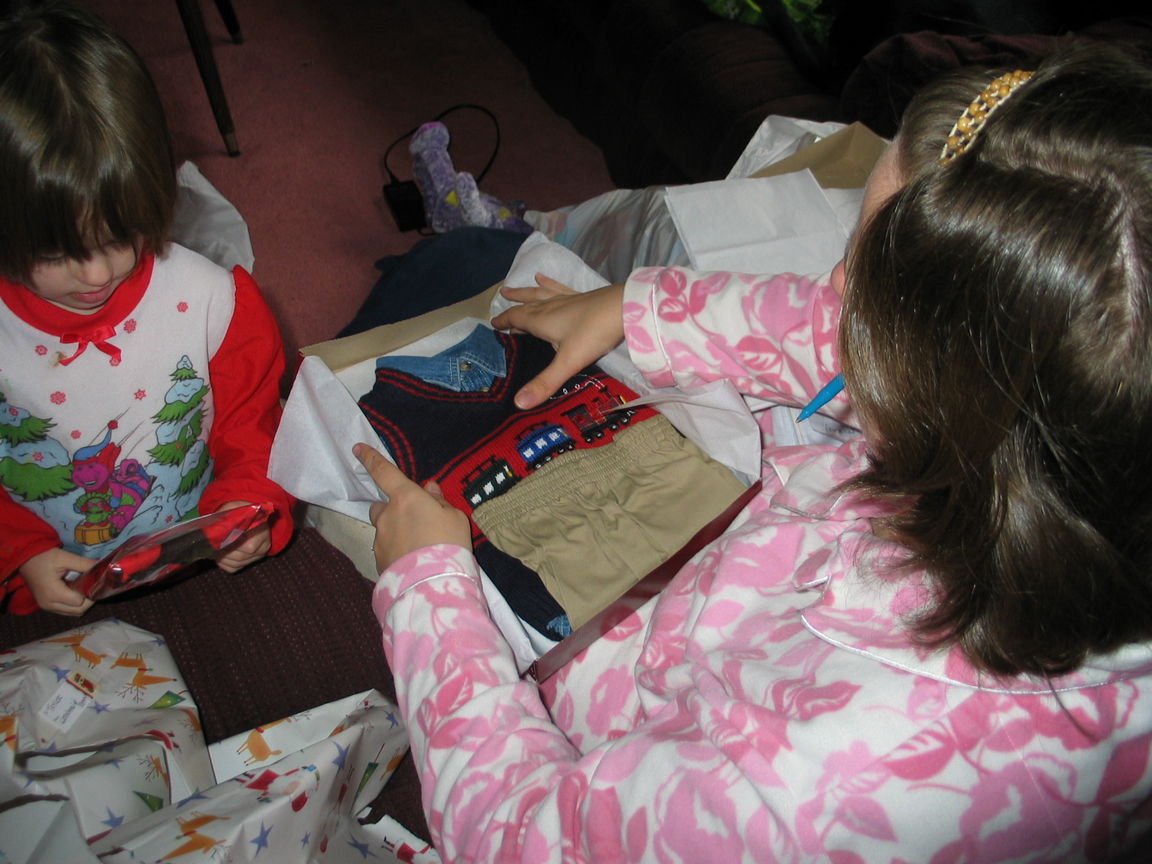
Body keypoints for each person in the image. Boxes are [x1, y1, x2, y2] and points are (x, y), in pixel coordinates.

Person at [353, 42, 1152, 862]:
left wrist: (428, 597)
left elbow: (522, 842)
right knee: (477, 262)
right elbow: (841, 334)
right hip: (728, 569)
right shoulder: (1082, 457)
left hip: (593, 715)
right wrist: (639, 309)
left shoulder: (815, 798)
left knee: (443, 276)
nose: (833, 286)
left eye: (865, 287)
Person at [0, 1, 294, 617]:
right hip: (51, 581)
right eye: (56, 254)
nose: (97, 274)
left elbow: (255, 426)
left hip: (199, 559)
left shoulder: (215, 303)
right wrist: (20, 552)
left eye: (119, 236)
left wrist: (246, 505)